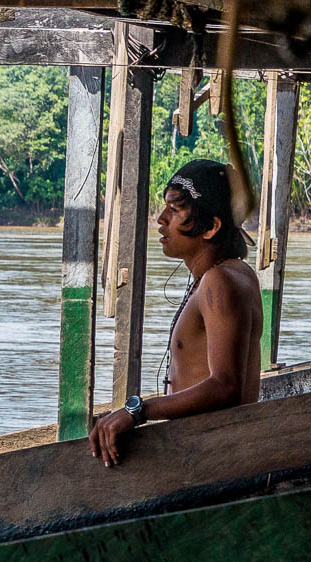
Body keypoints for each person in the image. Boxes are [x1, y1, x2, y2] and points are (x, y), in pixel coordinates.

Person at [89, 159, 263, 466]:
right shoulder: (229, 273)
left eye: (175, 209)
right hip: (205, 451)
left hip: (213, 458)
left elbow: (226, 387)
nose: (161, 219)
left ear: (211, 227)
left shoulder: (220, 282)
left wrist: (138, 411)